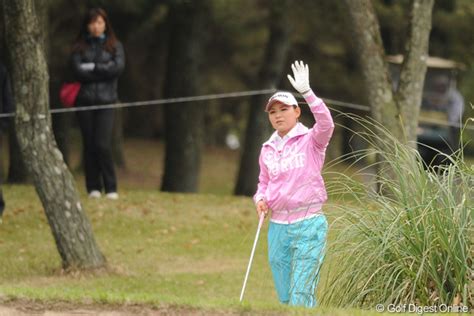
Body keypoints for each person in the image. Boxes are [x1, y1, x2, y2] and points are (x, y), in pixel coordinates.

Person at [254, 61, 334, 307]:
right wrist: (260, 199)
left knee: (301, 294)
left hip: (308, 224)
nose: (278, 115)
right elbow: (263, 182)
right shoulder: (267, 148)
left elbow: (327, 124)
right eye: (272, 112)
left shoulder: (312, 140)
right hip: (277, 227)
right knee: (285, 295)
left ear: (297, 111)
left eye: (283, 109)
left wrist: (308, 93)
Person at [70, 8, 125, 199]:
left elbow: (116, 69)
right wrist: (102, 70)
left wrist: (92, 68)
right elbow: (77, 71)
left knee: (102, 144)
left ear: (105, 24)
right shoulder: (79, 47)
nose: (96, 26)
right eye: (93, 23)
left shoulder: (114, 46)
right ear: (87, 25)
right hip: (84, 101)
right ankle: (93, 187)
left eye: (100, 22)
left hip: (106, 101)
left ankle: (111, 187)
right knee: (89, 144)